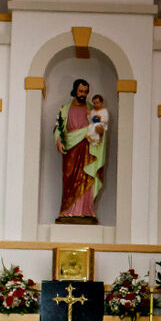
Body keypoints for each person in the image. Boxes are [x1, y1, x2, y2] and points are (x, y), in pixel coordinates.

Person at [53, 78, 104, 223]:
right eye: (81, 91)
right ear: (75, 90)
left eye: (86, 92)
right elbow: (58, 128)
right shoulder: (65, 109)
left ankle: (86, 210)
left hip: (87, 150)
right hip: (71, 151)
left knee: (87, 177)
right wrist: (59, 141)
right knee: (70, 179)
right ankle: (68, 211)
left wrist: (100, 132)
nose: (83, 94)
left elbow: (97, 129)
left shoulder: (91, 110)